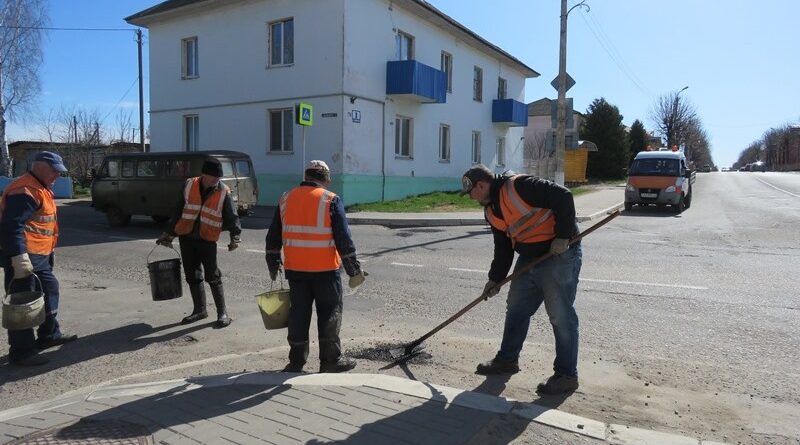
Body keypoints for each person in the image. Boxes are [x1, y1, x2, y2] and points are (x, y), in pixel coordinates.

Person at [460, 164, 582, 395]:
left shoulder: (518, 186)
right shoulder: (491, 211)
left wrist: (564, 235)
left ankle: (566, 375)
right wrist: (494, 279)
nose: (471, 198)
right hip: (529, 257)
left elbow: (563, 196)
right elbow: (503, 247)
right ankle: (507, 360)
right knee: (516, 307)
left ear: (482, 185)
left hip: (559, 253)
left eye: (472, 192)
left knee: (560, 315)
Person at [265, 160, 367, 373]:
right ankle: (330, 360)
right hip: (325, 271)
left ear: (307, 176)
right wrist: (354, 270)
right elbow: (343, 239)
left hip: (296, 271)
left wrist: (273, 263)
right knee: (330, 313)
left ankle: (296, 361)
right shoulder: (330, 200)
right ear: (326, 179)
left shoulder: (286, 198)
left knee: (298, 314)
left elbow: (273, 235)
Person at [0, 152, 78, 366]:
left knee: (49, 289)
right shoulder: (25, 190)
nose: (57, 175)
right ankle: (21, 351)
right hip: (25, 256)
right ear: (39, 167)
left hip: (39, 255)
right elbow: (11, 226)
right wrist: (18, 256)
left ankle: (49, 334)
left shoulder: (40, 187)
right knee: (23, 301)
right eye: (53, 170)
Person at [157, 158, 241, 328]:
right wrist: (169, 233)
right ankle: (200, 310)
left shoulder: (223, 191)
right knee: (192, 275)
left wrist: (235, 236)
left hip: (207, 239)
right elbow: (178, 210)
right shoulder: (189, 185)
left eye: (218, 178)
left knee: (213, 276)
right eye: (212, 178)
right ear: (204, 174)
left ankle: (222, 313)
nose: (215, 181)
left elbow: (232, 215)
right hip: (186, 237)